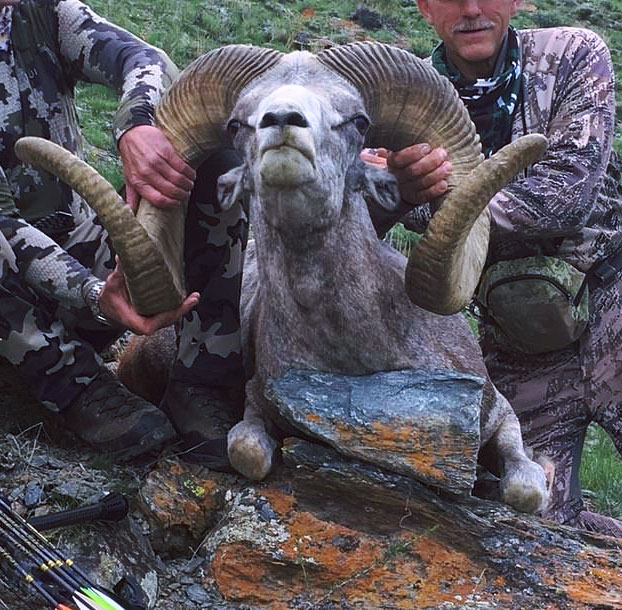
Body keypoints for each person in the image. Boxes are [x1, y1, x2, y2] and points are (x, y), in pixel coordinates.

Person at [365, 0, 622, 535]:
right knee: (533, 526)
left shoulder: (572, 53)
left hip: (611, 301)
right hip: (519, 341)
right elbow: (361, 217)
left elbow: (564, 194)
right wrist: (389, 193)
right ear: (424, 7)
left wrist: (428, 200)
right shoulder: (396, 95)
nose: (472, 9)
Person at [0, 0, 246, 466]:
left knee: (210, 165)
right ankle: (80, 389)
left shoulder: (42, 14)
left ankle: (203, 378)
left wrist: (136, 125)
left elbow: (146, 60)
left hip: (80, 254)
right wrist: (93, 293)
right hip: (16, 309)